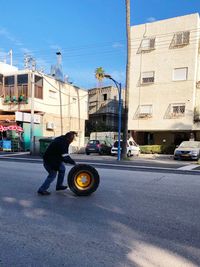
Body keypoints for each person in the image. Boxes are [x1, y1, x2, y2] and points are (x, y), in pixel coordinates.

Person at [37, 131, 77, 195]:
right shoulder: (62, 143)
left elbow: (63, 155)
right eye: (71, 139)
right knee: (52, 175)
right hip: (50, 161)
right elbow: (65, 157)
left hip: (55, 159)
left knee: (62, 169)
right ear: (68, 138)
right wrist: (74, 163)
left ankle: (59, 185)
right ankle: (42, 189)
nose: (72, 141)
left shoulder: (62, 140)